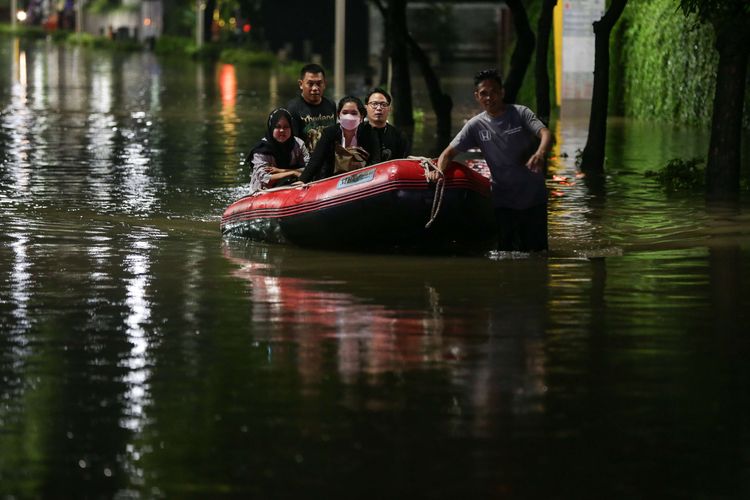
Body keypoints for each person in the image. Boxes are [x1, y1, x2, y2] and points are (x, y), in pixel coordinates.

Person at [432, 69, 552, 252]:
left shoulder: (520, 113)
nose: (489, 97)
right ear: (477, 96)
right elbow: (447, 154)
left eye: (494, 91)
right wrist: (439, 173)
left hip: (533, 198)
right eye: (484, 93)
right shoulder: (475, 125)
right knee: (506, 255)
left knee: (538, 254)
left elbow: (545, 133)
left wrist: (540, 153)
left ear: (502, 92)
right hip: (503, 201)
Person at [300, 96, 374, 183]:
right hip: (333, 182)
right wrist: (302, 180)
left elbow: (375, 160)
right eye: (345, 112)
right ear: (339, 115)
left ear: (361, 116)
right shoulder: (329, 133)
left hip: (362, 181)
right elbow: (316, 159)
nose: (349, 117)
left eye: (354, 113)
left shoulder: (369, 133)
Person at [248, 108, 309, 193]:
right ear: (271, 128)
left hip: (294, 186)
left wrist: (282, 171)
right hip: (264, 191)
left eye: (286, 127)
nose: (282, 130)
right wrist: (291, 173)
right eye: (277, 127)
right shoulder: (261, 150)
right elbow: (264, 178)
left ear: (291, 128)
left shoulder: (299, 144)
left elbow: (309, 168)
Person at [286, 63, 337, 154]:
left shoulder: (331, 105)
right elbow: (291, 144)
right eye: (310, 84)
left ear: (324, 84)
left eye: (319, 84)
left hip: (329, 159)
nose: (315, 88)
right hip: (305, 161)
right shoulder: (293, 109)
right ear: (301, 84)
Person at [362, 87, 410, 162]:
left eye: (383, 104)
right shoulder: (357, 132)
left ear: (389, 109)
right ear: (366, 107)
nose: (378, 108)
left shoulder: (399, 136)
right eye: (374, 104)